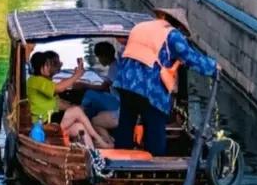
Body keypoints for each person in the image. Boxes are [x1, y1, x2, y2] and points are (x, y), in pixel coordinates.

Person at [113, 9, 217, 156]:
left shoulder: (140, 27)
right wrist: (213, 67)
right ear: (179, 26)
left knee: (126, 124)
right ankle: (154, 164)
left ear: (163, 17)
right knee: (155, 130)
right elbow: (190, 57)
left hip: (125, 82)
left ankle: (119, 161)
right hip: (150, 88)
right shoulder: (172, 35)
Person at [26, 50, 111, 149]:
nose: (53, 67)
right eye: (49, 64)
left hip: (53, 120)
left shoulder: (46, 82)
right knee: (77, 111)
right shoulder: (35, 81)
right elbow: (59, 88)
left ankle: (92, 153)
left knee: (79, 127)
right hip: (43, 124)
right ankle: (99, 139)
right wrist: (76, 76)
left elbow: (57, 102)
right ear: (42, 67)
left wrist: (73, 106)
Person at [80, 39, 121, 134]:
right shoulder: (117, 65)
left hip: (118, 104)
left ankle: (81, 114)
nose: (99, 60)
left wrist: (84, 85)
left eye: (99, 57)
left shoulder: (114, 68)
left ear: (104, 56)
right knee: (93, 101)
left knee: (89, 94)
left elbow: (103, 87)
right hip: (116, 100)